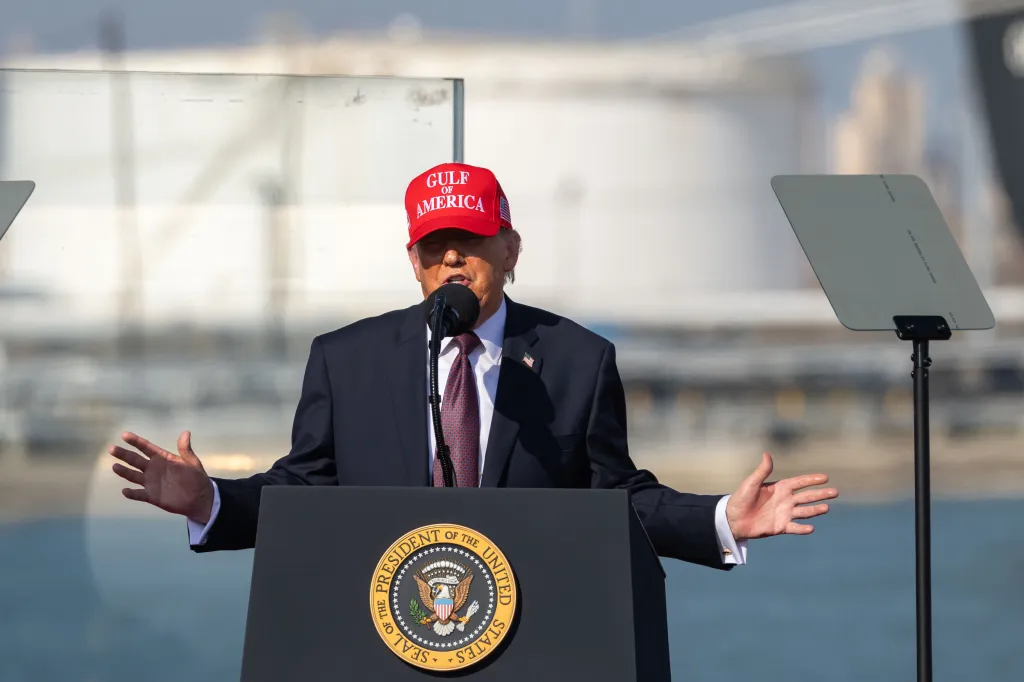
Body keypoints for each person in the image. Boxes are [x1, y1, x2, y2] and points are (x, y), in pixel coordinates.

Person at [109, 162, 838, 568]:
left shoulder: (579, 361)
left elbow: (618, 500)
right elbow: (302, 493)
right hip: (378, 639)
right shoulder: (346, 361)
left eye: (472, 239)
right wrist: (209, 501)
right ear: (414, 261)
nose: (452, 256)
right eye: (435, 245)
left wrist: (720, 519)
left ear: (511, 251)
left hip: (529, 639)